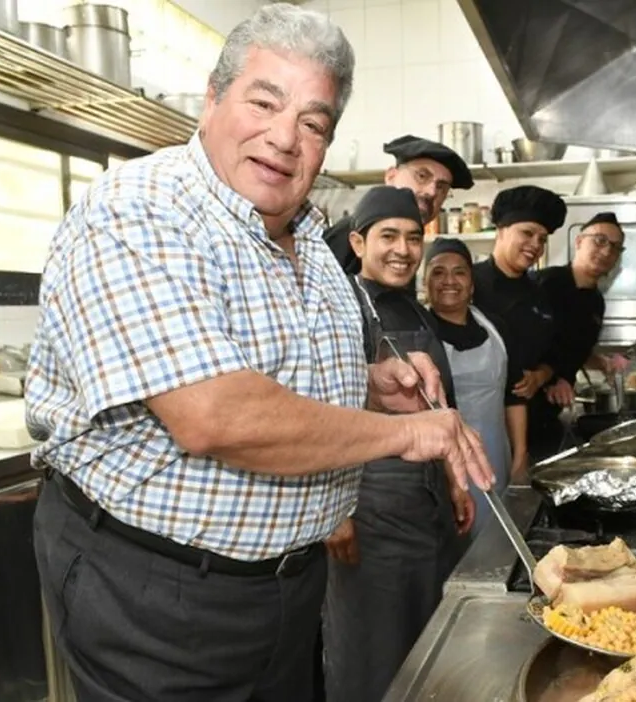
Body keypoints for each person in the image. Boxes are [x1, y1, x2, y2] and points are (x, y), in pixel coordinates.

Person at [24, 6, 493, 702]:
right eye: (264, 102)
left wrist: (370, 387)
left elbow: (277, 370)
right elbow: (215, 414)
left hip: (287, 589)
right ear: (213, 99)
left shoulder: (307, 238)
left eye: (313, 122)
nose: (284, 138)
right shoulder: (138, 209)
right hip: (157, 595)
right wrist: (408, 430)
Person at [323, 186, 476, 702]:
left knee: (424, 637)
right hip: (368, 502)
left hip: (426, 501)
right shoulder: (339, 307)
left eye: (414, 238)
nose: (403, 250)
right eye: (388, 236)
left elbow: (443, 404)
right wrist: (334, 511)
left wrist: (456, 480)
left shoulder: (416, 309)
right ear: (359, 241)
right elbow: (321, 412)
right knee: (371, 648)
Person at [470, 185, 567, 475]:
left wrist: (541, 375)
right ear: (500, 230)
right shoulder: (469, 285)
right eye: (527, 233)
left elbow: (554, 351)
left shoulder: (541, 292)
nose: (535, 244)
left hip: (536, 427)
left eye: (543, 239)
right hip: (482, 427)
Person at [423, 236, 515, 534]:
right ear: (425, 284)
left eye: (459, 272)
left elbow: (514, 394)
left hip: (497, 457)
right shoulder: (418, 333)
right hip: (443, 467)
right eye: (438, 272)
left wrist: (522, 454)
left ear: (472, 284)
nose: (449, 280)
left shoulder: (496, 326)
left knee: (495, 544)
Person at [530, 211, 631, 457]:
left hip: (552, 412)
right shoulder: (544, 284)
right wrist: (554, 378)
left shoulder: (596, 302)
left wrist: (602, 362)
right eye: (600, 240)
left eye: (616, 247)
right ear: (578, 242)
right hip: (522, 407)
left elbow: (573, 347)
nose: (607, 251)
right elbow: (523, 343)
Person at [323, 134, 474, 274]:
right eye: (422, 176)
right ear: (391, 177)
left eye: (441, 186)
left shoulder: (408, 252)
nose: (432, 191)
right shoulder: (351, 232)